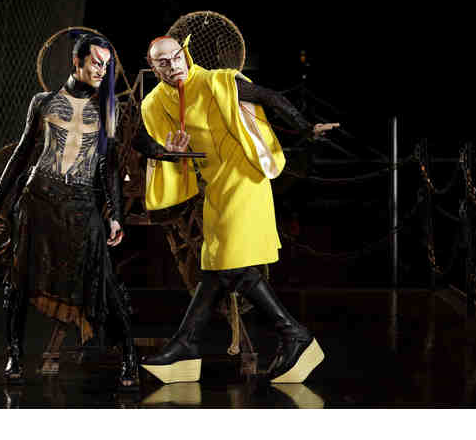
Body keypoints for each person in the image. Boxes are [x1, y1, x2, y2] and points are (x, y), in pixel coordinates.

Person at [133, 34, 339, 384]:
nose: (173, 65)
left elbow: (268, 97)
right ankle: (187, 345)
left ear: (185, 54)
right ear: (153, 68)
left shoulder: (217, 81)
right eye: (163, 63)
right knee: (216, 266)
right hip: (215, 186)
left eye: (177, 57)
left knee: (229, 263)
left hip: (244, 178)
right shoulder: (155, 102)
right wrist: (164, 151)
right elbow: (142, 139)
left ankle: (293, 335)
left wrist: (306, 128)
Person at [0, 33, 137, 389]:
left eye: (106, 65)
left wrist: (115, 213)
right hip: (38, 200)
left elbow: (109, 167)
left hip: (81, 204)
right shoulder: (43, 102)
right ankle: (15, 356)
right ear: (76, 61)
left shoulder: (107, 109)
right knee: (19, 280)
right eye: (96, 62)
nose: (101, 70)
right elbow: (23, 152)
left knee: (106, 283)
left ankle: (129, 355)